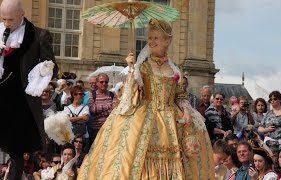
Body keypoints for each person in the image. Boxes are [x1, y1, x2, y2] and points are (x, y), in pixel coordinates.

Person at [77, 18, 215, 179]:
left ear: (167, 41)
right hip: (147, 117)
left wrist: (185, 110)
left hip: (173, 120)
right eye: (150, 38)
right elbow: (130, 96)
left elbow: (180, 95)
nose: (152, 41)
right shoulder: (142, 67)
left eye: (156, 38)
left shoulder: (175, 69)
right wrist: (131, 70)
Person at [0, 0, 58, 179]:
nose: (7, 24)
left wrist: (45, 69)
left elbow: (53, 67)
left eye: (11, 19)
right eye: (4, 19)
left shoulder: (39, 35)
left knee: (17, 149)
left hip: (21, 101)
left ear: (22, 14)